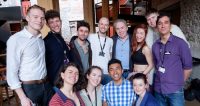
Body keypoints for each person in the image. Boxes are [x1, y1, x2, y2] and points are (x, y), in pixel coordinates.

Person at [6, 5, 53, 106]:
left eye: (42, 18)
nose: (39, 21)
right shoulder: (15, 40)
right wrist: (23, 97)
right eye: (35, 17)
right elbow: (11, 73)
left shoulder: (40, 39)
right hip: (30, 88)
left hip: (46, 84)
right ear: (27, 18)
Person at [152, 13, 192, 106]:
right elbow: (156, 64)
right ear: (157, 26)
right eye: (160, 23)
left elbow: (188, 68)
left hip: (175, 91)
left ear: (170, 25)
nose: (163, 25)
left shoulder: (180, 43)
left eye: (166, 22)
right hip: (158, 90)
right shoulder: (155, 45)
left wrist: (179, 84)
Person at [44, 9, 70, 86]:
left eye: (57, 21)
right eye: (52, 22)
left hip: (65, 79)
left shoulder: (60, 37)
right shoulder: (46, 41)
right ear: (47, 25)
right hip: (56, 81)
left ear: (61, 22)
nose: (55, 24)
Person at [88, 17, 113, 85]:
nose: (103, 26)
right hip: (94, 73)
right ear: (98, 25)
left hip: (107, 73)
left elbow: (110, 56)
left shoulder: (110, 41)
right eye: (101, 24)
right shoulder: (90, 37)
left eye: (106, 25)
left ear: (108, 27)